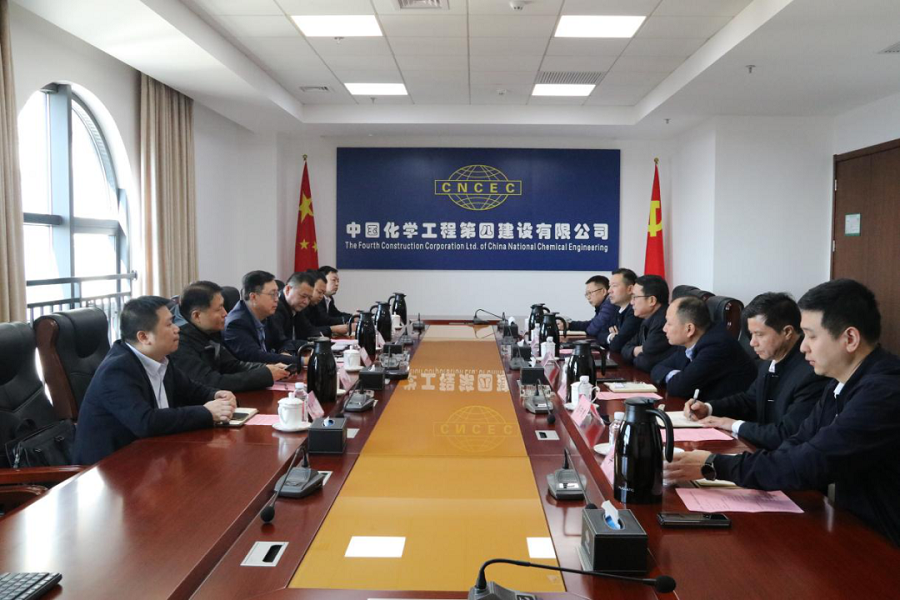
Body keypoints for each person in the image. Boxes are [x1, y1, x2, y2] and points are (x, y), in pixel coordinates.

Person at [665, 279, 900, 546]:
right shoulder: (840, 383)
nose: (803, 347)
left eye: (811, 336)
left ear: (850, 339)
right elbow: (799, 441)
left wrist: (714, 465)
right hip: (855, 528)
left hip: (886, 542)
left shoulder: (883, 393)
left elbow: (813, 461)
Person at [73, 296, 236, 464]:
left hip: (152, 455)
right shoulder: (117, 370)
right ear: (144, 337)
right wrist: (207, 413)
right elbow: (145, 422)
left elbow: (191, 390)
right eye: (169, 324)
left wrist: (216, 394)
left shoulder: (160, 358)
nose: (177, 329)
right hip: (110, 468)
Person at [684, 292, 829, 450]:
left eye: (759, 334)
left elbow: (786, 434)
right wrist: (708, 408)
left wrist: (733, 424)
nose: (752, 343)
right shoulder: (769, 361)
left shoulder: (812, 373)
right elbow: (750, 400)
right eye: (751, 334)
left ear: (787, 332)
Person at [171, 281, 290, 392]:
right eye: (219, 309)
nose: (225, 313)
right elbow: (211, 382)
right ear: (197, 315)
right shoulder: (178, 342)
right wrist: (265, 375)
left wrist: (267, 368)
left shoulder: (209, 330)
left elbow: (232, 365)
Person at [651, 296, 757, 399]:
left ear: (689, 329)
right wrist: (678, 376)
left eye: (669, 323)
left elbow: (678, 387)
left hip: (728, 409)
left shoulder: (717, 346)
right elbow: (657, 368)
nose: (664, 328)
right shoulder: (690, 341)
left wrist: (680, 377)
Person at [223, 270, 298, 365]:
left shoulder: (267, 314)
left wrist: (285, 351)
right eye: (272, 294)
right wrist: (300, 361)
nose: (277, 299)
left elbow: (283, 341)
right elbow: (256, 356)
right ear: (253, 297)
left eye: (277, 294)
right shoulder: (235, 324)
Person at [621, 274, 675, 371]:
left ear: (652, 300)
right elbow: (625, 349)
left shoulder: (664, 322)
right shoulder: (647, 318)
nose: (631, 302)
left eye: (635, 297)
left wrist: (636, 351)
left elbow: (646, 362)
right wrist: (638, 350)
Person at [268, 271, 321, 349]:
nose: (306, 302)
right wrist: (312, 343)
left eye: (309, 298)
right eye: (303, 296)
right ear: (288, 289)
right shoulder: (276, 308)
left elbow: (308, 329)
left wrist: (320, 339)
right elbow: (281, 342)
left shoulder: (296, 307)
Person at [568, 275, 618, 342]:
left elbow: (593, 330)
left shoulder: (610, 304)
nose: (588, 297)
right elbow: (592, 323)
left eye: (590, 293)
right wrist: (569, 325)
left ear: (603, 291)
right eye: (586, 294)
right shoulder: (602, 305)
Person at [605, 268, 642, 352]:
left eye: (614, 286)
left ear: (630, 289)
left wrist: (616, 338)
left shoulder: (635, 312)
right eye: (610, 286)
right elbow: (599, 332)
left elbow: (616, 345)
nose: (609, 291)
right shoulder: (616, 309)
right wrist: (611, 337)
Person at [305, 270, 349, 336]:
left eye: (323, 293)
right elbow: (323, 321)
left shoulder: (325, 300)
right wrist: (333, 329)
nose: (337, 284)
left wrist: (352, 317)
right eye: (333, 280)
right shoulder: (303, 306)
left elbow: (336, 314)